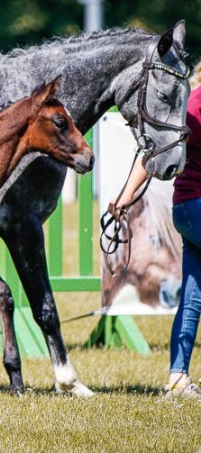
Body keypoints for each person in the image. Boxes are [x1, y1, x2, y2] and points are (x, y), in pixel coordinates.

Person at [110, 67, 201, 399]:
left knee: (192, 298)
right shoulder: (194, 107)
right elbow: (154, 151)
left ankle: (177, 379)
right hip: (196, 206)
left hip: (188, 210)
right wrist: (125, 196)